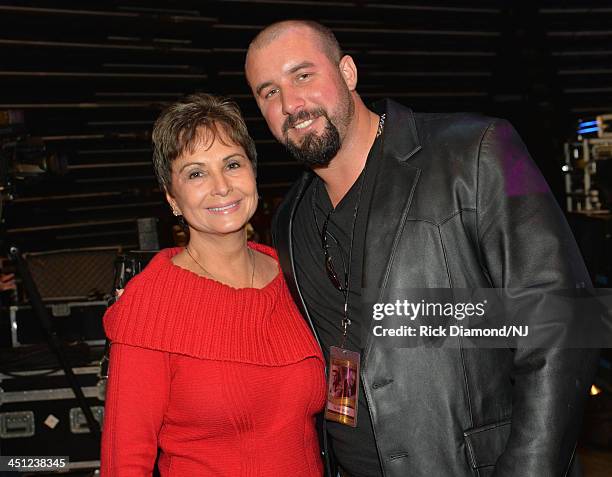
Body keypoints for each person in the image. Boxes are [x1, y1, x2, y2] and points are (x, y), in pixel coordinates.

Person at [244, 20, 599, 477]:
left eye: (303, 75)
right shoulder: (290, 218)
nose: (291, 103)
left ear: (347, 72)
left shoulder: (478, 148)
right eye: (268, 92)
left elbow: (564, 322)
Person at [100, 93, 326, 476]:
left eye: (232, 164)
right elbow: (124, 463)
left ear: (253, 173)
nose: (221, 186)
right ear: (172, 198)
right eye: (196, 173)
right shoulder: (151, 304)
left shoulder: (294, 277)